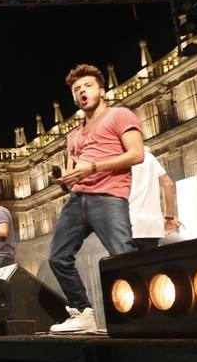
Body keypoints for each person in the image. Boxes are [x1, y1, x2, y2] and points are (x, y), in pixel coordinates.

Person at [47, 63, 145, 333]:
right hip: (78, 198)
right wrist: (63, 180)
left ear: (101, 90)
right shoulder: (73, 135)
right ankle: (82, 311)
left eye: (88, 86)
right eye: (77, 89)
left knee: (123, 255)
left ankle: (144, 312)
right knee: (58, 257)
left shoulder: (119, 115)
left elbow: (137, 154)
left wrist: (93, 167)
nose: (82, 91)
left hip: (108, 194)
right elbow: (72, 174)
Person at [128, 150, 180, 250]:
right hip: (151, 226)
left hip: (127, 224)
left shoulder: (116, 157)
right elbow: (168, 184)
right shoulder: (148, 157)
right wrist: (169, 217)